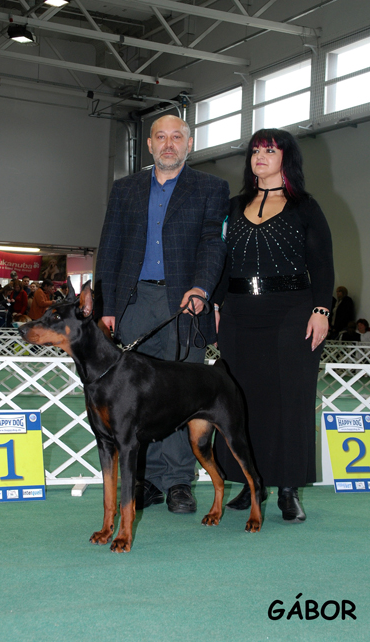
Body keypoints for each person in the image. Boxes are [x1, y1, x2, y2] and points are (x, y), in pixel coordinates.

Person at [94, 114, 229, 514]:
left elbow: (213, 243)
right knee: (135, 397)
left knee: (181, 395)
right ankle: (147, 480)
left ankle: (178, 481)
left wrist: (201, 289)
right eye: (161, 137)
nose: (169, 144)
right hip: (133, 303)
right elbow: (110, 247)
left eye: (177, 137)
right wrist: (107, 307)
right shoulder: (125, 189)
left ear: (189, 143)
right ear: (149, 145)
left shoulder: (211, 188)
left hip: (184, 303)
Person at [214, 128, 334, 523]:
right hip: (237, 313)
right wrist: (215, 303)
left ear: (287, 158)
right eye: (255, 151)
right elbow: (222, 262)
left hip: (291, 312)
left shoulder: (306, 208)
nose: (260, 157)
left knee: (290, 401)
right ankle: (250, 482)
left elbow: (322, 264)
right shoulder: (232, 208)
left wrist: (321, 310)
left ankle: (288, 488)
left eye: (269, 150)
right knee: (239, 401)